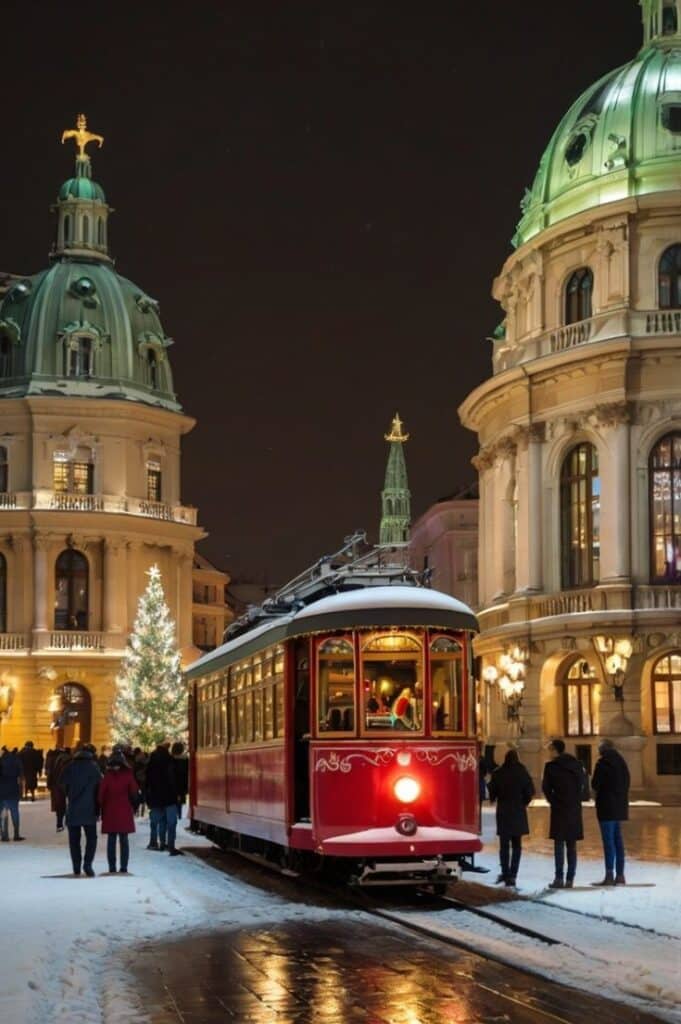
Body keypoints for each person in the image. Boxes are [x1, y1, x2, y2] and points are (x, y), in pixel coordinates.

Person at [488, 748, 535, 886]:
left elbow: (492, 792)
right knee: (517, 846)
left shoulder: (499, 773)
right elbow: (530, 791)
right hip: (518, 812)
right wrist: (523, 803)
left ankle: (505, 873)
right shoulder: (523, 772)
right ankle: (513, 875)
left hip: (503, 812)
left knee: (504, 846)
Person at [541, 738, 585, 889]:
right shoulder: (576, 765)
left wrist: (554, 800)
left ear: (555, 750)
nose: (549, 752)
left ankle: (559, 878)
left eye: (550, 749)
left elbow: (546, 788)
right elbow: (583, 786)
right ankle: (570, 879)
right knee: (571, 845)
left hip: (559, 809)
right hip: (573, 808)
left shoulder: (551, 767)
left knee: (559, 844)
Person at [591, 738, 631, 886]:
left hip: (606, 807)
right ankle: (620, 875)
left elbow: (595, 784)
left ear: (603, 749)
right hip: (619, 808)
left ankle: (609, 875)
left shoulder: (602, 764)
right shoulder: (622, 763)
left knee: (608, 842)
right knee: (618, 841)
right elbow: (627, 782)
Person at [59, 744, 101, 876]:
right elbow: (99, 788)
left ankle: (76, 866)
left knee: (74, 840)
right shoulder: (94, 768)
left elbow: (62, 785)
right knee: (92, 838)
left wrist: (69, 794)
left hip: (73, 808)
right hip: (89, 809)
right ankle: (88, 864)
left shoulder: (69, 767)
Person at [98, 752, 139, 874]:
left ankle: (112, 867)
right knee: (124, 840)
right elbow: (134, 792)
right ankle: (124, 867)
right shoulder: (128, 775)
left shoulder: (107, 776)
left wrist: (101, 806)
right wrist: (134, 805)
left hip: (110, 811)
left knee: (111, 839)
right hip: (124, 811)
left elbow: (100, 795)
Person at [145, 740, 181, 855]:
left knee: (157, 821)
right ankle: (170, 845)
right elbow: (174, 780)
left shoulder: (151, 761)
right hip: (169, 797)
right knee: (171, 822)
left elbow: (147, 780)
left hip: (155, 797)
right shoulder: (170, 760)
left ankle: (156, 843)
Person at [0, 746, 25, 841]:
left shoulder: (1, 761)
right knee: (15, 812)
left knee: (3, 813)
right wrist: (21, 791)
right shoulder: (16, 761)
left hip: (1, 791)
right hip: (13, 790)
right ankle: (16, 834)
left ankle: (4, 835)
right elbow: (21, 777)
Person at [47, 747, 70, 831]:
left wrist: (49, 785)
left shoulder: (55, 760)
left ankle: (59, 824)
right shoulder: (70, 760)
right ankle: (67, 821)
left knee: (59, 806)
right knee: (68, 804)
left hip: (57, 786)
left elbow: (50, 773)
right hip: (67, 786)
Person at [171, 741, 189, 820]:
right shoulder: (186, 760)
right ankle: (179, 815)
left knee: (173, 802)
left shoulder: (170, 760)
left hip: (172, 784)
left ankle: (174, 816)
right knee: (180, 802)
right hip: (182, 784)